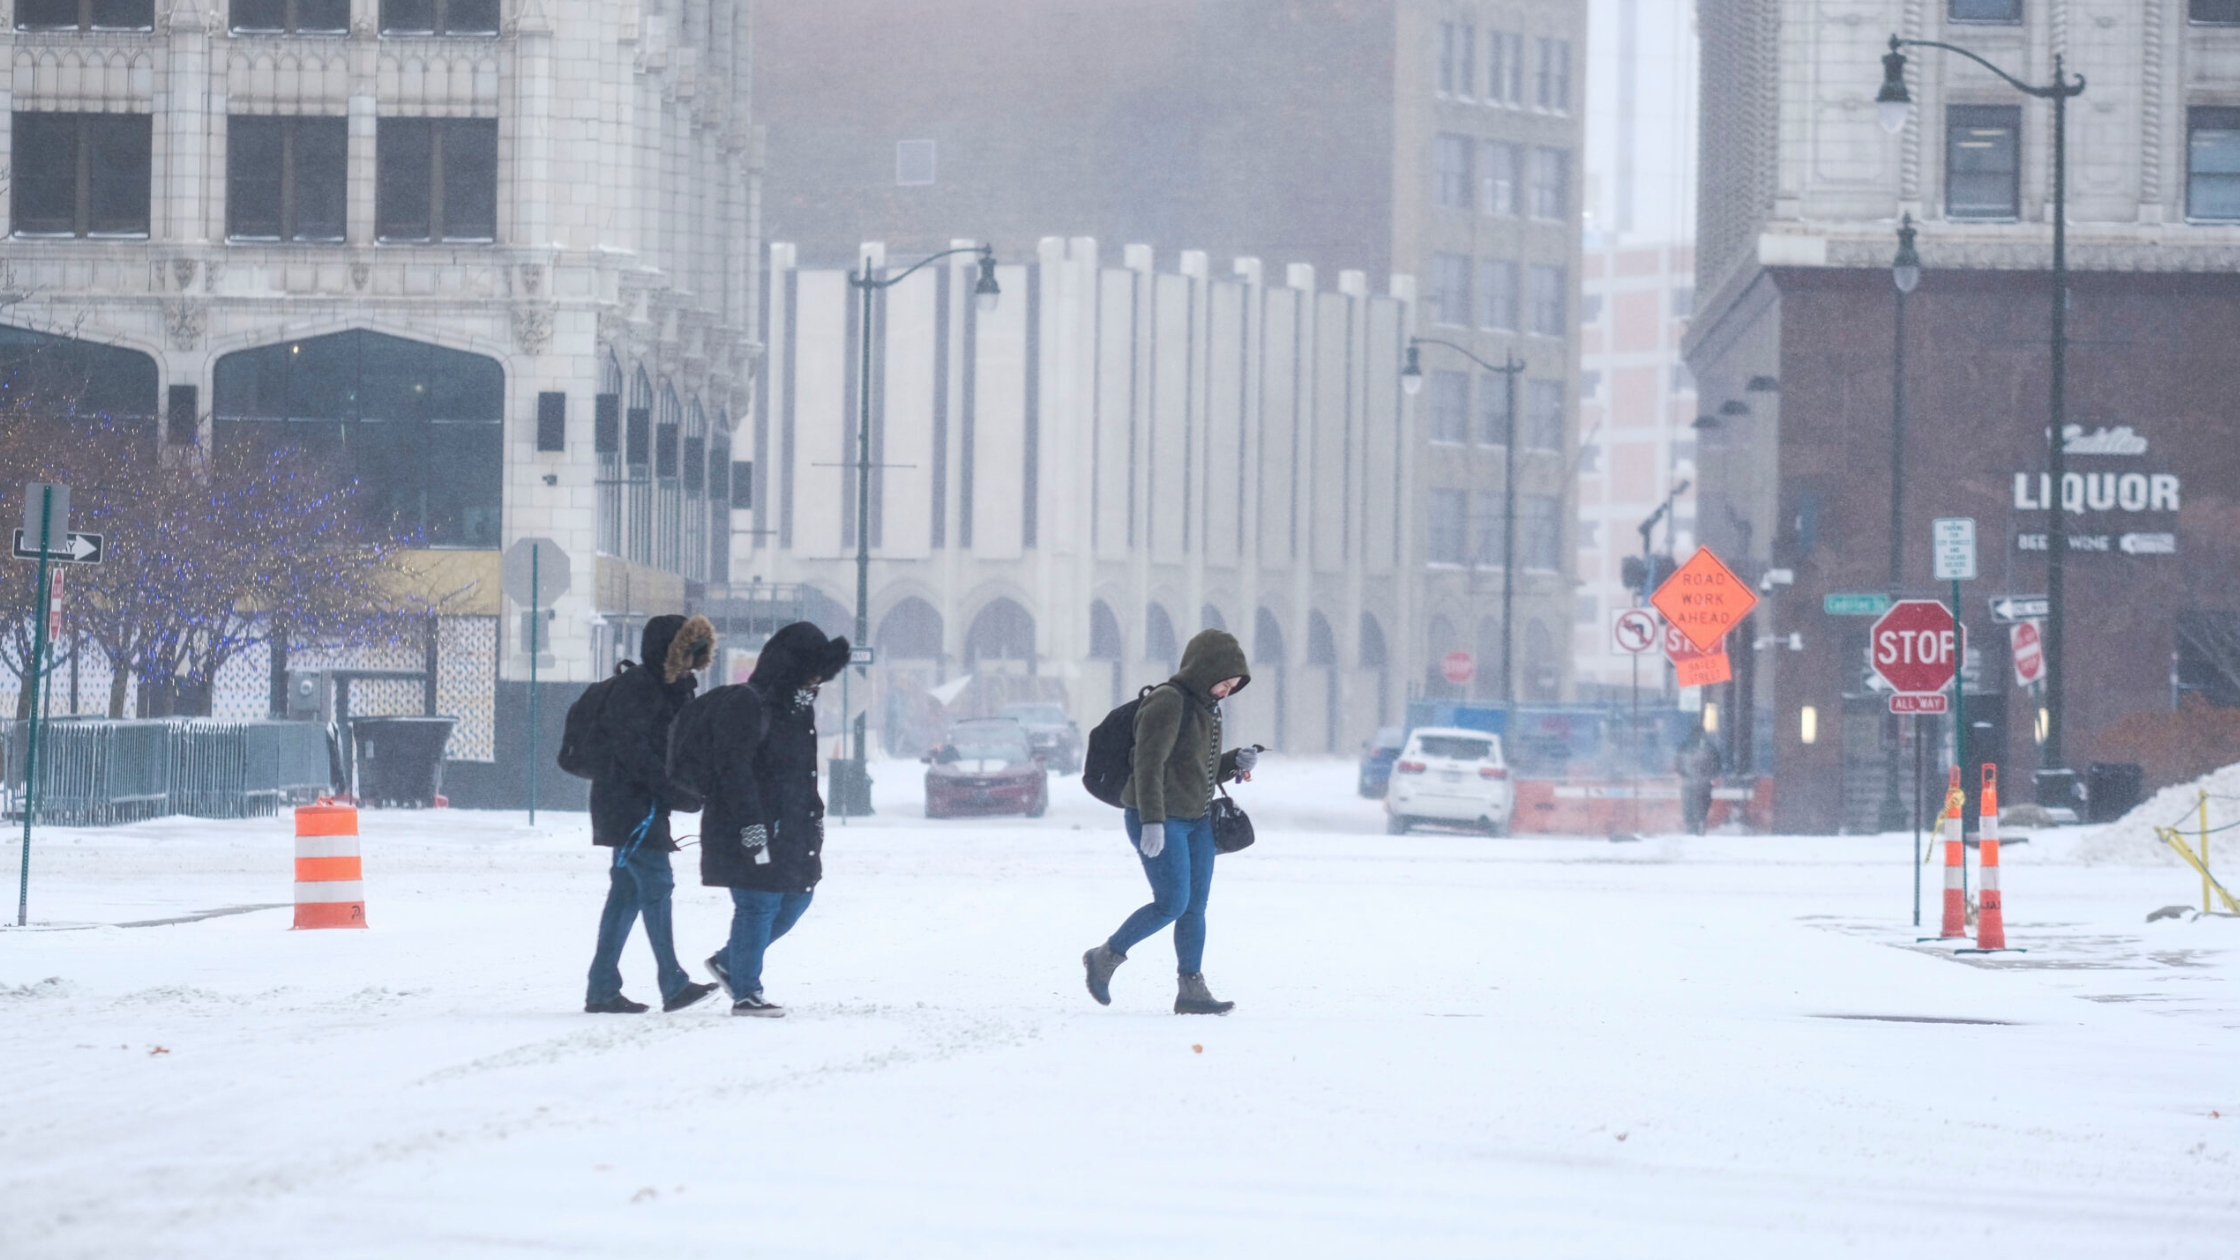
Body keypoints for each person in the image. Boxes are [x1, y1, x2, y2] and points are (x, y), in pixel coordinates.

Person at [1083, 628, 1259, 1015]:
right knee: (1171, 903)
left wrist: (1235, 761)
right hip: (1159, 819)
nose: (1227, 691)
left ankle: (1192, 990)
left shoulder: (1207, 707)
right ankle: (1105, 956)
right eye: (1223, 682)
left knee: (1195, 906)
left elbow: (1198, 769)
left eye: (1233, 686)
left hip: (1196, 820)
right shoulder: (1168, 701)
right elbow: (1147, 765)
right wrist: (1152, 820)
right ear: (1204, 670)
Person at [690, 620, 852, 1017]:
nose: (816, 684)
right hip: (748, 824)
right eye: (811, 675)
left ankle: (731, 962)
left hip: (791, 825)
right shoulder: (748, 704)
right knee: (758, 905)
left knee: (797, 898)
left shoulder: (799, 710)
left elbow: (803, 771)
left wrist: (813, 814)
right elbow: (734, 769)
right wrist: (751, 824)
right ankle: (747, 992)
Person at [584, 614, 722, 1015]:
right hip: (628, 804)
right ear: (671, 649)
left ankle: (602, 988)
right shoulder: (638, 689)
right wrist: (678, 792)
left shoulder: (672, 688)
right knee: (657, 886)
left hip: (635, 802)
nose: (694, 663)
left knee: (626, 895)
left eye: (699, 655)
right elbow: (637, 756)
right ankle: (673, 983)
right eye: (689, 652)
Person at [1677, 724, 1723, 836]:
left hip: (1688, 783)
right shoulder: (1710, 746)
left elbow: (1679, 764)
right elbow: (1717, 764)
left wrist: (1685, 775)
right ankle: (1700, 825)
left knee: (1689, 806)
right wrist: (1710, 776)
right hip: (1705, 783)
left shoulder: (1685, 745)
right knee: (1703, 805)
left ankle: (1690, 827)